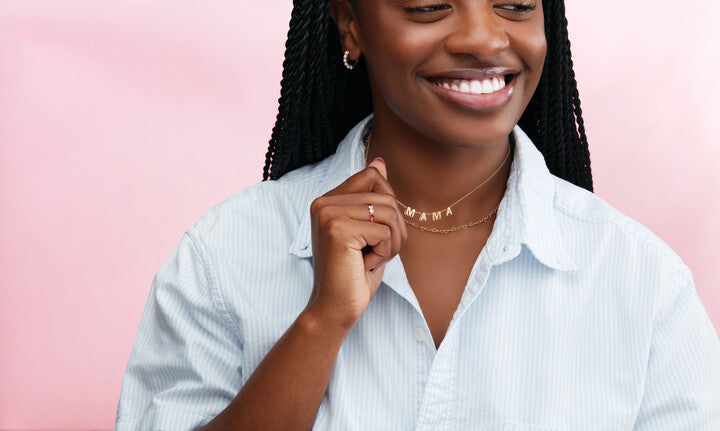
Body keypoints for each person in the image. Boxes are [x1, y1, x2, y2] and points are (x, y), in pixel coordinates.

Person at [114, 0, 720, 429]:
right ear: (350, 22)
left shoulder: (643, 284)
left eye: (514, 4)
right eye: (430, 6)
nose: (484, 39)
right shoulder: (224, 257)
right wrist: (321, 324)